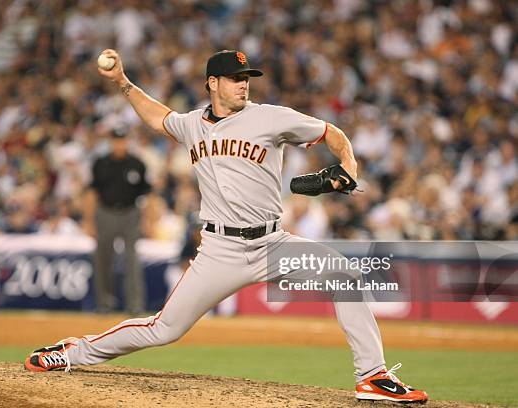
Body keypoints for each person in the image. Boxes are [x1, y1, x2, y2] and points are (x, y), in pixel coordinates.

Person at [24, 49, 428, 403]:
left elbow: (332, 133)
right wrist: (124, 83)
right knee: (164, 329)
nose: (243, 85)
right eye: (235, 79)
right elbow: (158, 117)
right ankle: (72, 352)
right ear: (212, 83)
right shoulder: (191, 125)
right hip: (220, 250)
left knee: (344, 273)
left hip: (273, 243)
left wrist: (348, 166)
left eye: (247, 78)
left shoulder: (271, 118)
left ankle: (372, 376)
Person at [81, 127, 150, 315]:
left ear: (127, 141)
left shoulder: (137, 164)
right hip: (105, 212)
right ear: (111, 142)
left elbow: (146, 194)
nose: (120, 144)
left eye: (123, 140)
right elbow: (92, 192)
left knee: (132, 259)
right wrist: (88, 220)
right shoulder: (101, 163)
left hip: (130, 213)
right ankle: (104, 303)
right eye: (116, 140)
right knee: (103, 258)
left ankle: (135, 304)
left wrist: (147, 220)